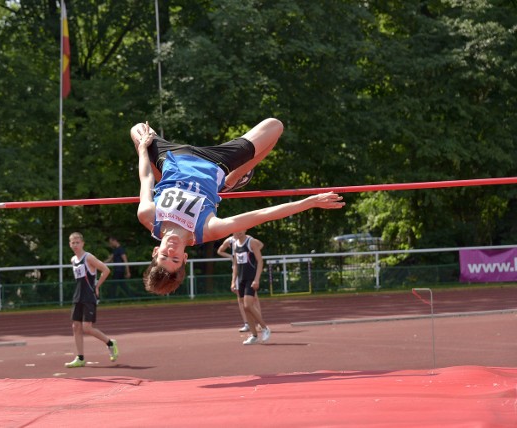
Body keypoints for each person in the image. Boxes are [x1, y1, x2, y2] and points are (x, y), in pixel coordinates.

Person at [132, 118, 345, 296]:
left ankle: (228, 183)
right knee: (275, 126)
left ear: (155, 251)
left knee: (138, 130)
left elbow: (146, 178)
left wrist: (143, 149)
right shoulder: (207, 229)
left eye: (164, 256)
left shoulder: (149, 215)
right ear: (185, 258)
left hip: (173, 157)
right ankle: (229, 178)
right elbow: (261, 215)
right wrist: (311, 202)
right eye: (175, 258)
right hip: (214, 162)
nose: (171, 250)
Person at [65, 232, 119, 368]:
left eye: (78, 242)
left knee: (87, 328)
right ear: (70, 244)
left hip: (89, 296)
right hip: (78, 296)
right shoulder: (73, 260)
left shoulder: (88, 257)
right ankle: (80, 358)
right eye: (73, 242)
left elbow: (106, 270)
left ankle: (110, 343)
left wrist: (97, 286)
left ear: (82, 243)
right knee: (75, 326)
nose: (75, 245)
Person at [217, 232, 263, 334]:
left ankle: (260, 323)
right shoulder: (230, 240)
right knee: (241, 299)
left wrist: (252, 253)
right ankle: (247, 323)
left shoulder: (248, 239)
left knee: (253, 298)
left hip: (247, 270)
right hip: (237, 270)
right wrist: (231, 257)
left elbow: (260, 245)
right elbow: (219, 251)